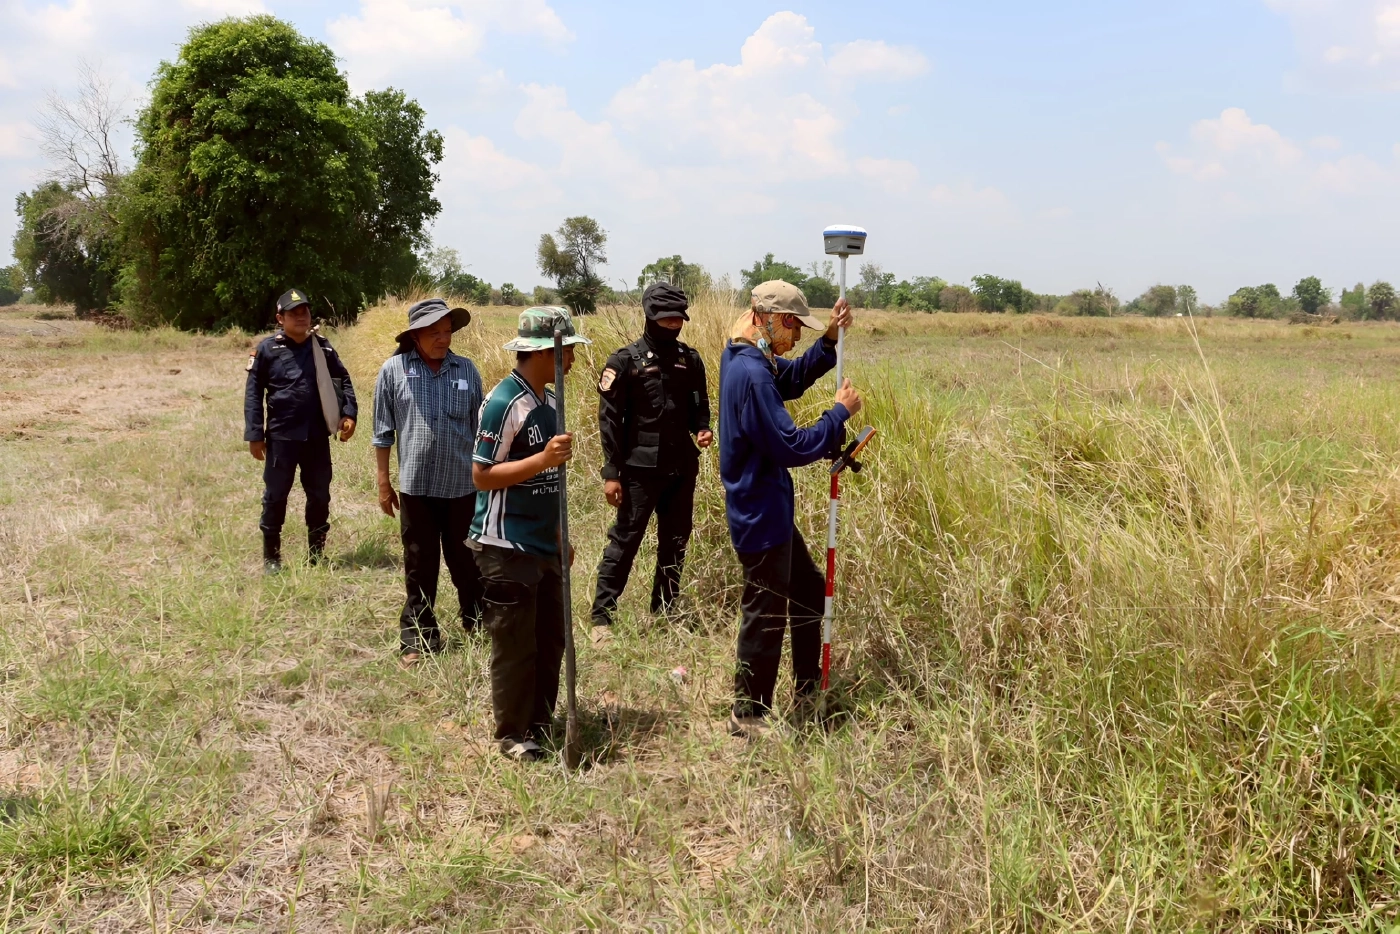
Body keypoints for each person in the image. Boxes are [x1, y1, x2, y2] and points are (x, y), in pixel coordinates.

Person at [718, 280, 861, 738]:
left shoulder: (746, 358)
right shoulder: (752, 373)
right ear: (769, 319)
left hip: (768, 509)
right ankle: (748, 713)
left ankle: (805, 689)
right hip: (760, 514)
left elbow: (792, 379)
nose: (796, 335)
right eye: (794, 325)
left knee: (806, 591)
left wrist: (829, 343)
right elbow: (791, 445)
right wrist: (837, 415)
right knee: (764, 610)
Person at [470, 306, 590, 762]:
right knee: (515, 643)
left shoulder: (551, 402)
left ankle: (540, 721)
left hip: (544, 542)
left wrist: (561, 534)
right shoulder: (504, 402)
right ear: (544, 353)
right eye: (568, 351)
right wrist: (541, 459)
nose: (573, 360)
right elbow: (482, 475)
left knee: (550, 639)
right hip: (505, 544)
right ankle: (511, 733)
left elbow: (552, 483)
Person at [590, 281, 713, 643]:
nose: (673, 324)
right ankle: (602, 617)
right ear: (649, 315)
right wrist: (611, 473)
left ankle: (664, 611)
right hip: (639, 472)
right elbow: (609, 421)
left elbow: (699, 406)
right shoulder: (624, 361)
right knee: (625, 540)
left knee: (675, 541)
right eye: (666, 318)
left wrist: (703, 428)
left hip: (681, 468)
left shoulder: (689, 359)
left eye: (678, 319)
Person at [371, 298, 485, 665]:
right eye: (434, 332)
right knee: (420, 564)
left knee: (467, 561)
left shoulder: (467, 370)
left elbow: (479, 430)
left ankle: (477, 622)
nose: (442, 338)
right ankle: (418, 637)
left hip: (461, 487)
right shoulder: (394, 371)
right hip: (416, 488)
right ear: (415, 335)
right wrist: (383, 482)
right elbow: (382, 433)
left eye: (447, 331)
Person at [244, 288, 357, 573]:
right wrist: (255, 433)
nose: (300, 317)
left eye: (304, 311)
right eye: (293, 313)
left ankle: (316, 554)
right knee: (276, 495)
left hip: (317, 437)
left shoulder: (322, 346)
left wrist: (349, 414)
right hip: (282, 437)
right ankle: (272, 557)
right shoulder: (268, 350)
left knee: (319, 495)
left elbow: (342, 379)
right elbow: (253, 393)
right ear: (280, 318)